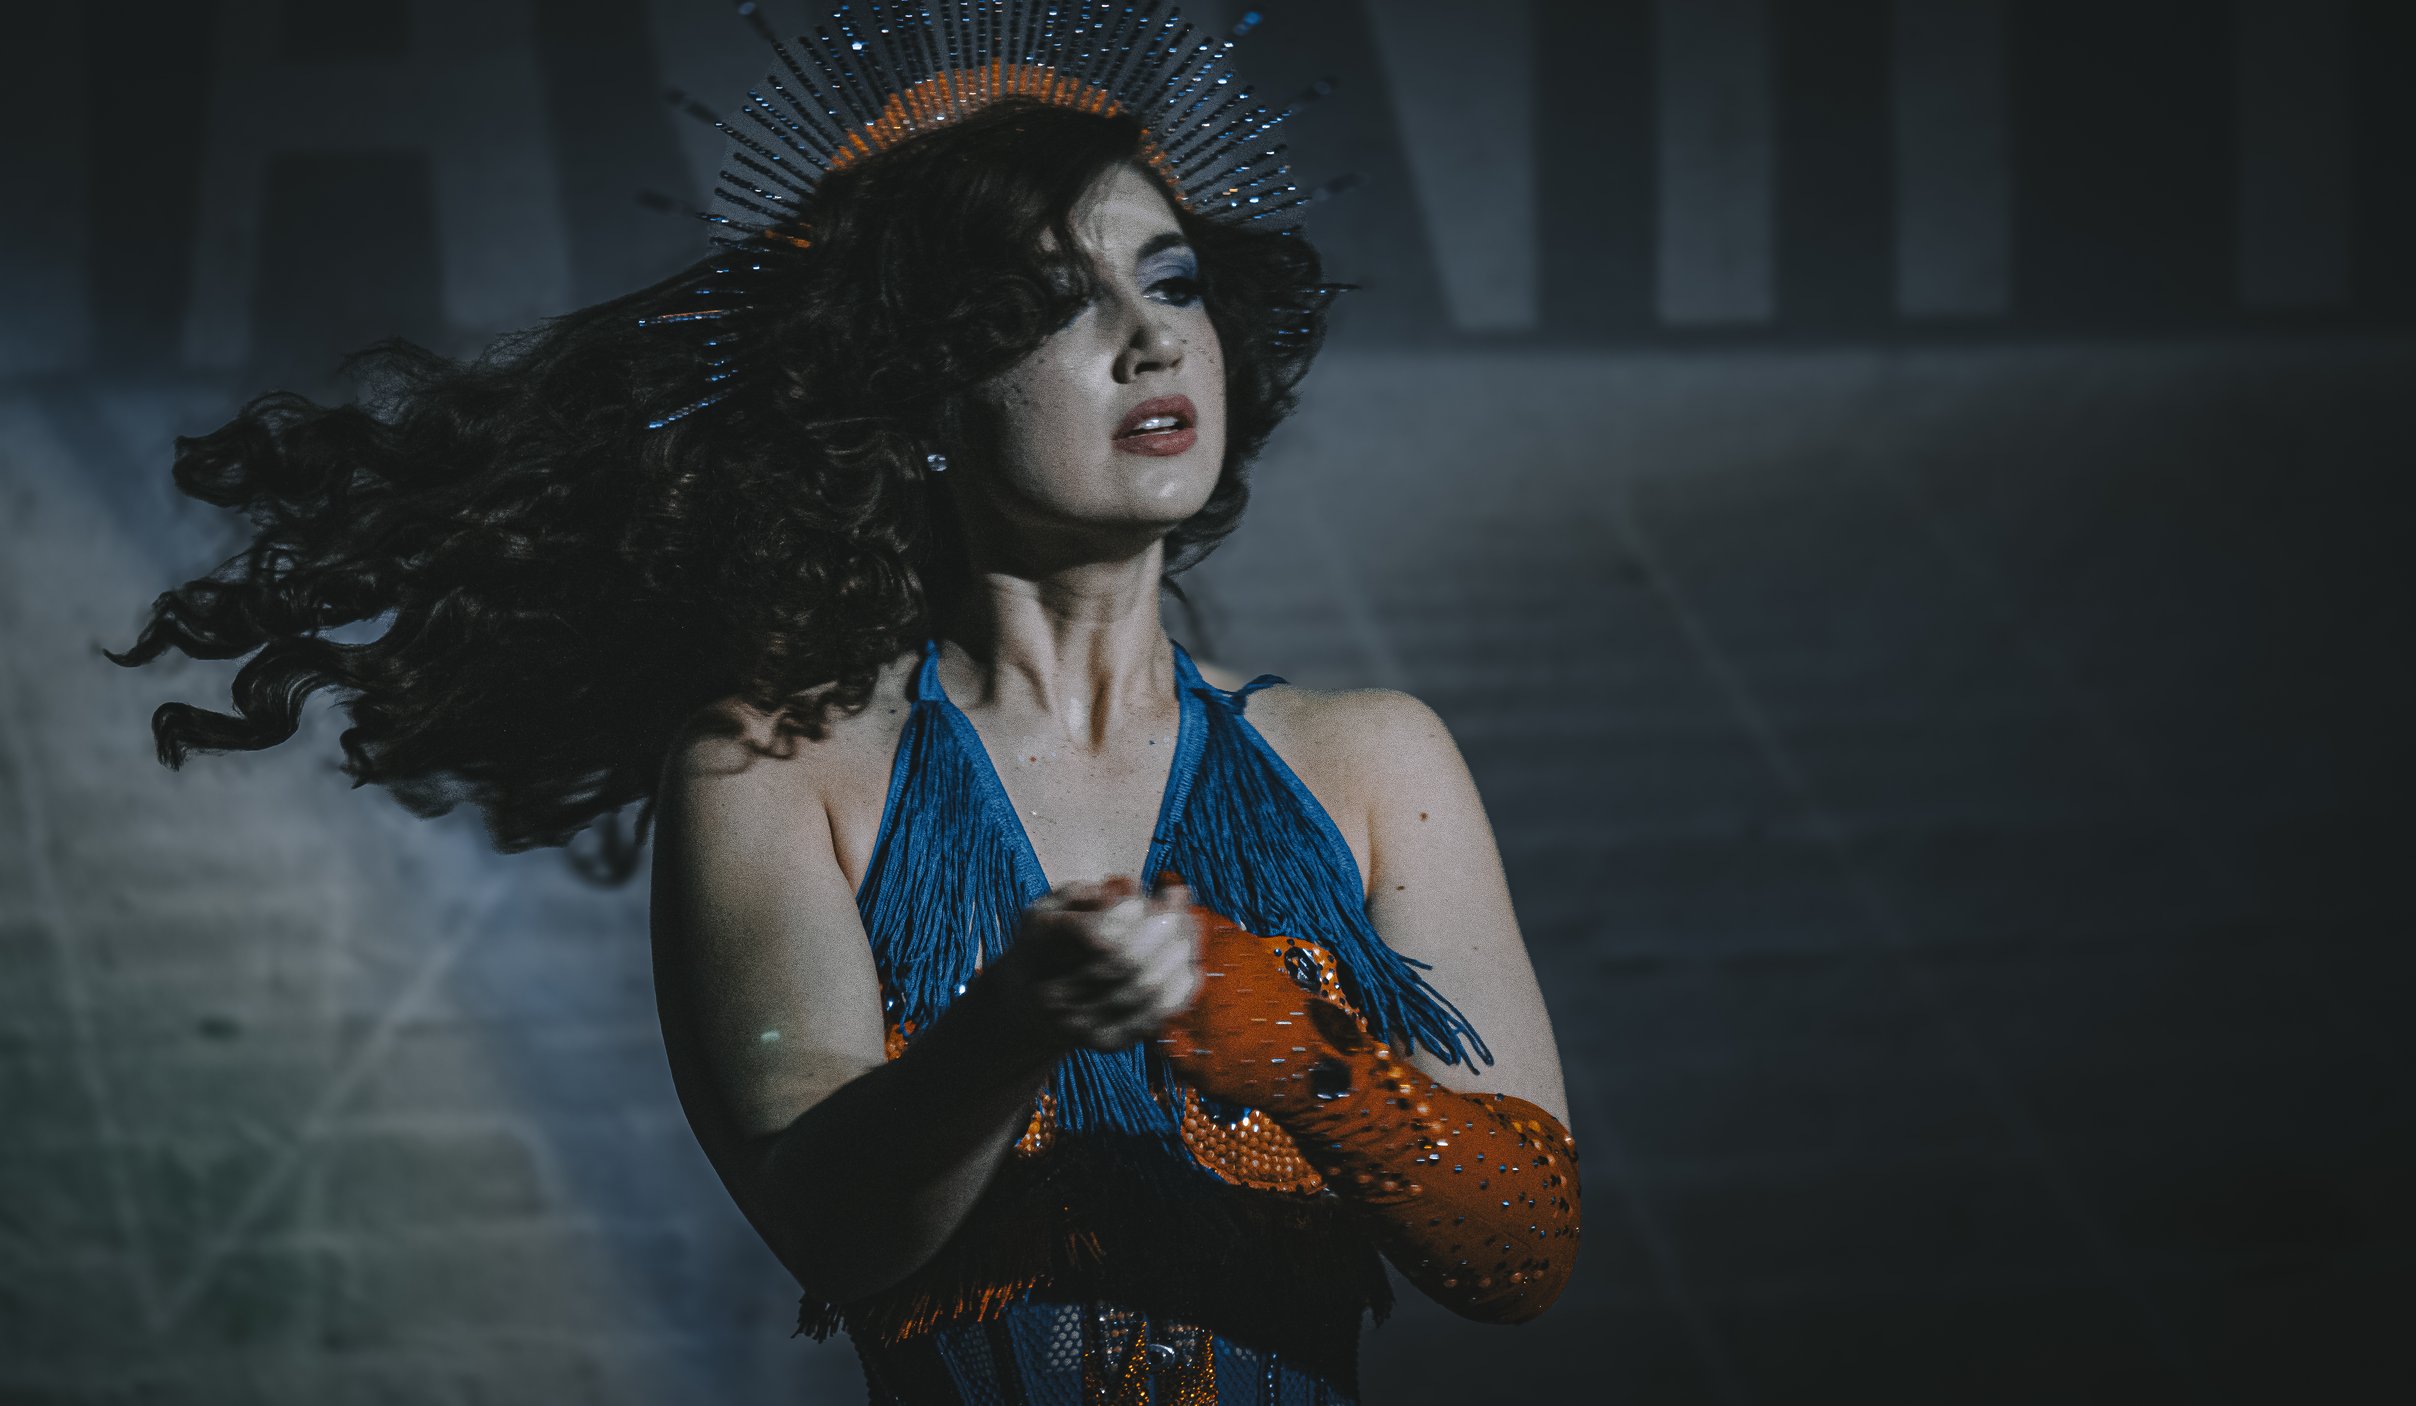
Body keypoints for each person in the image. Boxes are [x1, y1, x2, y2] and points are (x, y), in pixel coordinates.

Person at [110, 6, 1580, 1401]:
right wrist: (1009, 1024)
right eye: (1053, 301)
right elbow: (831, 1226)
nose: (1150, 336)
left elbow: (1522, 1256)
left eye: (1173, 275)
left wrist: (1294, 1045)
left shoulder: (1376, 757)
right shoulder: (770, 769)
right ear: (926, 402)